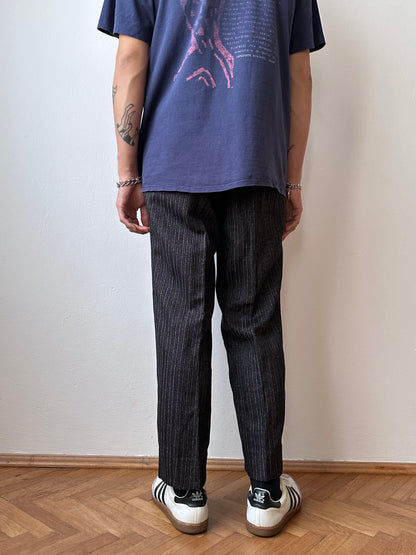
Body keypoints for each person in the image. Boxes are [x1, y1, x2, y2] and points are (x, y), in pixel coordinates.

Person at [98, 0, 326, 538]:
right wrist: (291, 178)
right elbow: (299, 75)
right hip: (257, 161)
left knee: (181, 322)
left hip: (172, 162)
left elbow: (131, 60)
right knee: (255, 322)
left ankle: (184, 491)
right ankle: (266, 492)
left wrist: (127, 172)